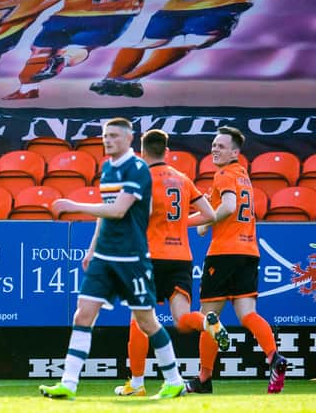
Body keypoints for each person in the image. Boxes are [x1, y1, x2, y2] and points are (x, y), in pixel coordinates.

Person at [41, 118, 185, 400]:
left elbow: (118, 211)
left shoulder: (138, 168)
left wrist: (74, 205)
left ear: (130, 139)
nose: (108, 140)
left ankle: (174, 379)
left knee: (147, 322)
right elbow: (105, 212)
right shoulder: (107, 168)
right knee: (82, 314)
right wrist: (92, 248)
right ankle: (68, 384)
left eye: (114, 136)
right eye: (105, 136)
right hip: (104, 258)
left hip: (131, 258)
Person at [114, 128, 227, 397]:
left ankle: (138, 384)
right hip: (181, 259)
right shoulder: (183, 179)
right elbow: (210, 214)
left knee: (140, 320)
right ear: (167, 151)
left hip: (150, 257)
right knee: (181, 317)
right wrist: (179, 224)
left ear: (142, 152)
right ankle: (206, 323)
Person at [187, 126, 287, 394]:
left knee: (209, 317)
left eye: (221, 146)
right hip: (248, 252)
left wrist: (199, 221)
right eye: (213, 144)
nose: (214, 149)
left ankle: (204, 379)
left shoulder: (223, 175)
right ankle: (273, 357)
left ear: (235, 152)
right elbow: (212, 216)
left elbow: (228, 208)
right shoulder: (243, 176)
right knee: (248, 313)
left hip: (223, 254)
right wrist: (202, 221)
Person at [89, 0, 268, 98]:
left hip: (177, 6)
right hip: (222, 7)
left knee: (145, 42)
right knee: (186, 44)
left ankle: (111, 79)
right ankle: (125, 79)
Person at [3, 0, 148, 100]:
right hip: (115, 17)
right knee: (81, 48)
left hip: (69, 15)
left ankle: (28, 90)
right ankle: (64, 60)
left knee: (40, 51)